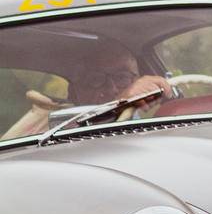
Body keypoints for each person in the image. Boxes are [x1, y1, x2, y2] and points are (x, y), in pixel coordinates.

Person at [2, 39, 172, 141]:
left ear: (138, 79)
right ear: (74, 93)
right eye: (95, 80)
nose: (112, 88)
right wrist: (120, 104)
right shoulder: (57, 128)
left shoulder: (167, 126)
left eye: (122, 77)